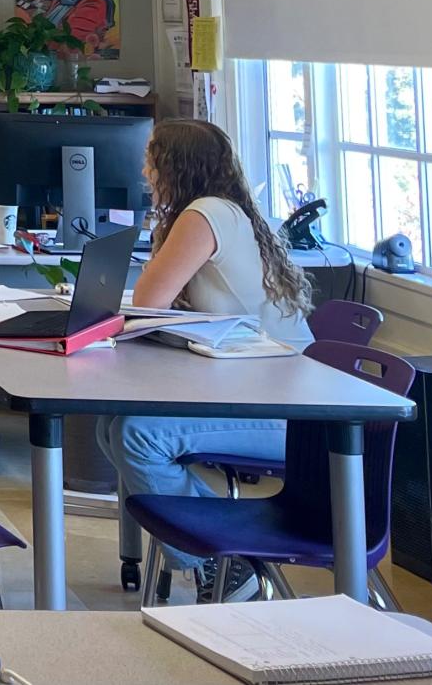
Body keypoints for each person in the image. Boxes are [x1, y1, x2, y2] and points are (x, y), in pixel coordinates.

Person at [96, 120, 314, 602]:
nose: (144, 168)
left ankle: (220, 563)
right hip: (260, 390)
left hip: (289, 416)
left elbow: (150, 300)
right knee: (112, 426)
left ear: (174, 165)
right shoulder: (228, 210)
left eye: (151, 157)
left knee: (138, 433)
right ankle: (225, 549)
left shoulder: (204, 214)